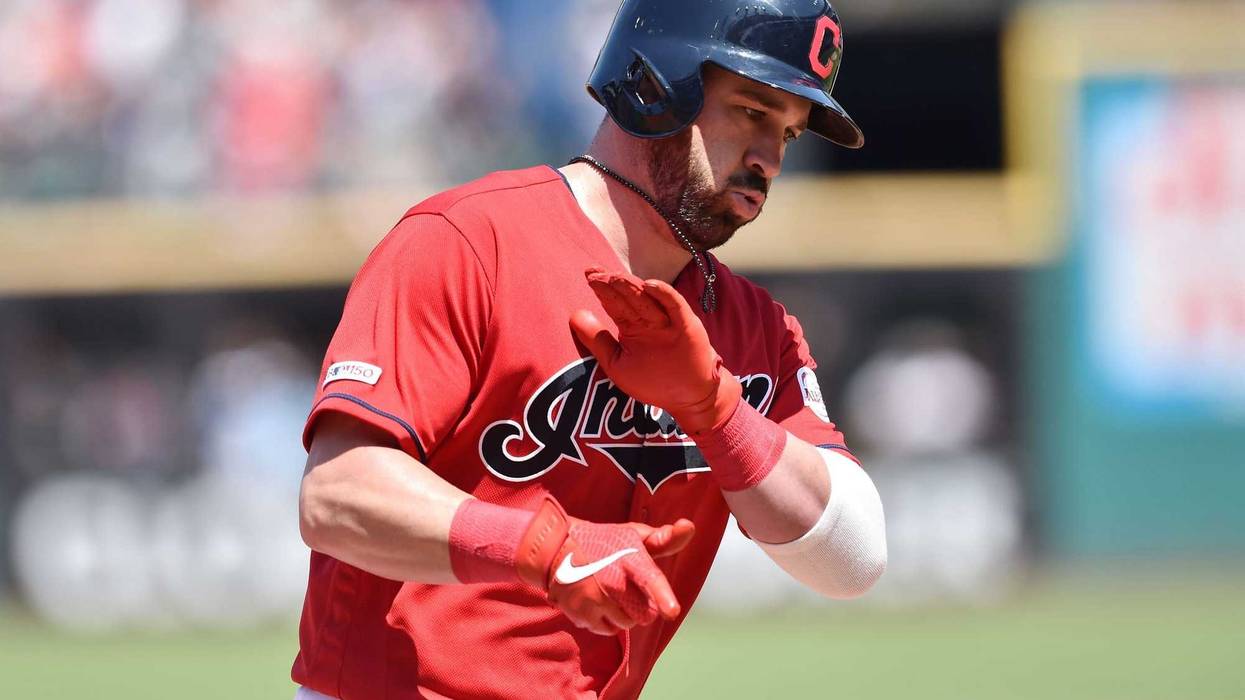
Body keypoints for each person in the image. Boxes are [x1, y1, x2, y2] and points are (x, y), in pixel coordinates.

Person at [293, 1, 887, 698]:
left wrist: (716, 412)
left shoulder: (753, 328)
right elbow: (336, 497)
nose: (769, 160)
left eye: (788, 132)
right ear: (658, 82)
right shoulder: (466, 243)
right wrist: (543, 548)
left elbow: (852, 560)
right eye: (752, 111)